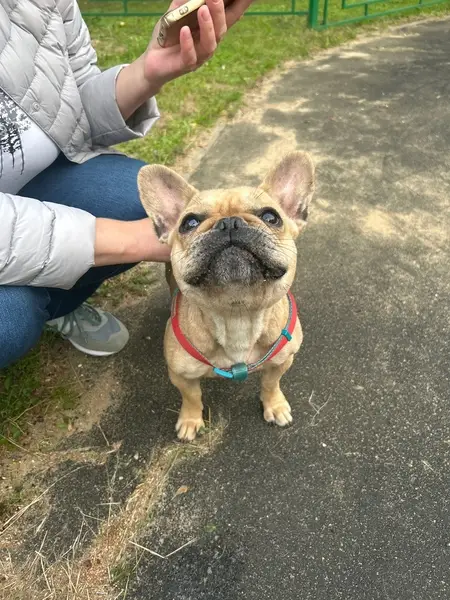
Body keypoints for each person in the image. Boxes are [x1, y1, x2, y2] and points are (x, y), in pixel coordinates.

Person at [0, 0, 254, 369]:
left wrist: (148, 71)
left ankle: (56, 299)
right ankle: (40, 297)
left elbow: (75, 106)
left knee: (135, 203)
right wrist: (133, 240)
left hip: (36, 178)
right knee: (10, 318)